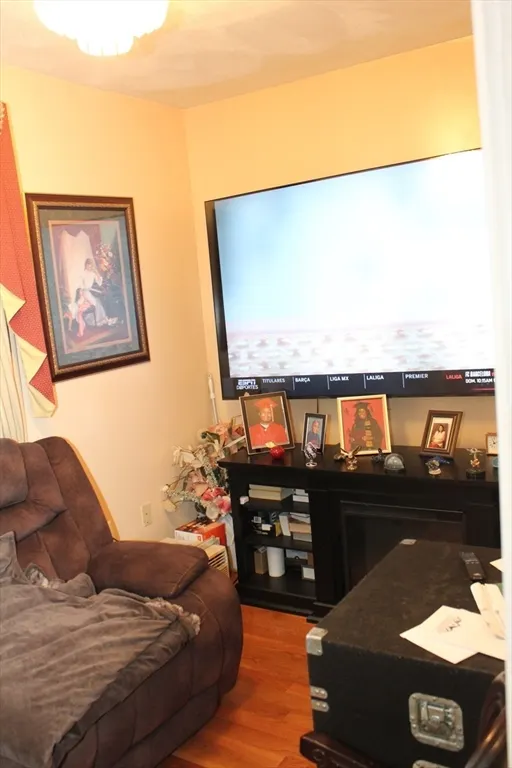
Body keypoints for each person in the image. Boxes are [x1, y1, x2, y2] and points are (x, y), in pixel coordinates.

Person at [80, 258, 108, 326]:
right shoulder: (82, 273)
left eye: (90, 265)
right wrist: (84, 289)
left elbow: (99, 283)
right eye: (88, 265)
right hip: (85, 291)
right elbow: (81, 285)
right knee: (95, 302)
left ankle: (101, 320)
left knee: (98, 301)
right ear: (85, 265)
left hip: (90, 291)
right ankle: (97, 321)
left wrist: (96, 273)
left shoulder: (93, 273)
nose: (89, 267)